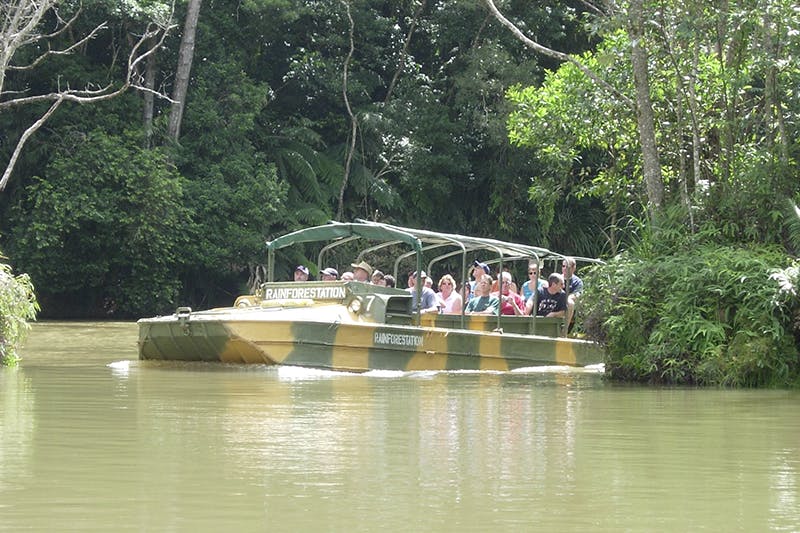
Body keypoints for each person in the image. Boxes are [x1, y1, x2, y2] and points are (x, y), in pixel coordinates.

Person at [562, 257, 584, 327]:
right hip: (556, 302)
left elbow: (577, 294)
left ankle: (564, 330)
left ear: (573, 268)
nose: (565, 268)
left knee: (570, 302)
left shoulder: (577, 282)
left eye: (567, 267)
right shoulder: (557, 278)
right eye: (563, 266)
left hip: (569, 305)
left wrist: (568, 298)